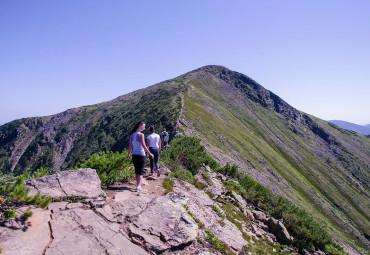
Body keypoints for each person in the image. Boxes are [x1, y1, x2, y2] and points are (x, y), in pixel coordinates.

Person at [127, 121, 154, 192]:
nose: (144, 128)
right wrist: (150, 153)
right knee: (141, 171)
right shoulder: (141, 135)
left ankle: (138, 184)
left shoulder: (132, 135)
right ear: (140, 126)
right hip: (141, 154)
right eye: (143, 126)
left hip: (134, 154)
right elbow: (143, 145)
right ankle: (138, 186)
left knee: (137, 170)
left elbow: (130, 145)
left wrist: (128, 154)